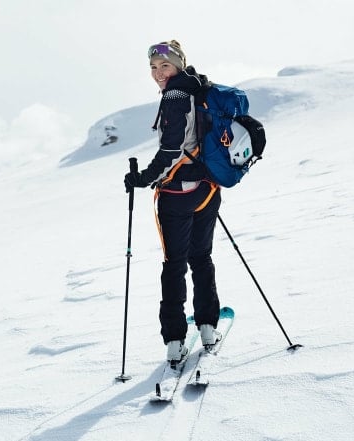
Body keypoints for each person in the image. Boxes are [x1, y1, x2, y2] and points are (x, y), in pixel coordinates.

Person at [123, 40, 222, 365]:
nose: (158, 73)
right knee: (202, 258)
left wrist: (143, 178)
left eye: (164, 65)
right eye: (153, 67)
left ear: (178, 64)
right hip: (207, 189)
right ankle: (207, 328)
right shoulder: (200, 89)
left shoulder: (176, 97)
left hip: (177, 195)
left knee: (175, 265)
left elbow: (171, 150)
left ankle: (175, 342)